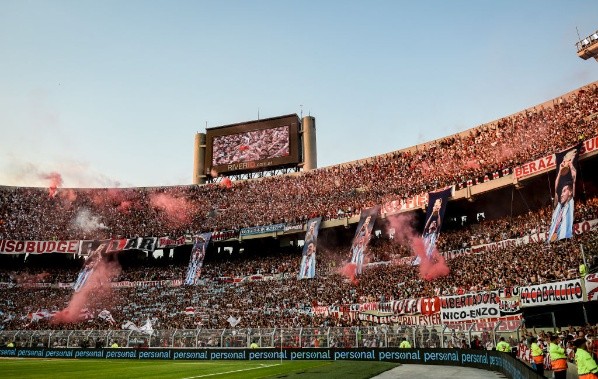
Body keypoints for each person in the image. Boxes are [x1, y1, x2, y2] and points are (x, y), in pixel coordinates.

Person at [548, 148, 577, 242]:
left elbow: (574, 177)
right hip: (557, 235)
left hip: (565, 235)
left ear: (570, 192)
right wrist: (560, 172)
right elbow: (556, 189)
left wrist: (571, 164)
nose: (561, 194)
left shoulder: (571, 201)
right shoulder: (558, 206)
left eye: (564, 191)